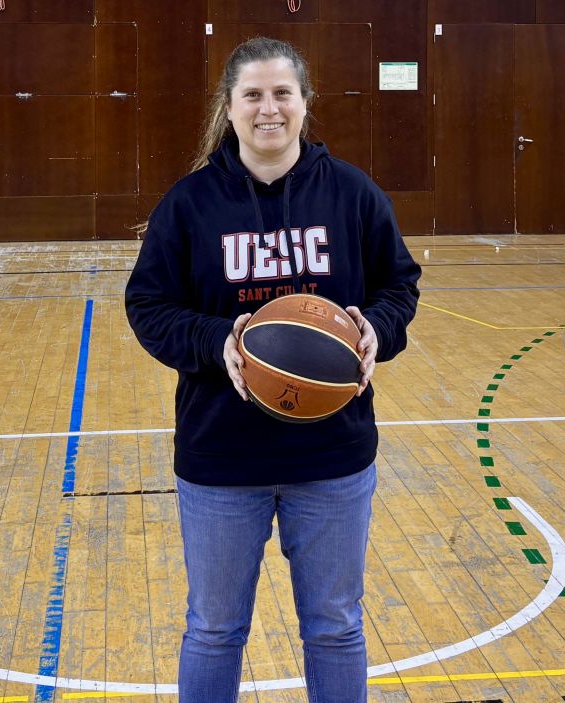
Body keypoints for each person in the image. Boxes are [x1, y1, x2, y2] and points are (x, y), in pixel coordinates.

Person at [124, 37, 421, 703]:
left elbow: (399, 287)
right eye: (253, 95)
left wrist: (376, 327)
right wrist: (216, 341)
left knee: (336, 627)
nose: (268, 108)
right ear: (229, 109)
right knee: (214, 628)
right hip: (222, 458)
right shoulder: (190, 204)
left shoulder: (351, 193)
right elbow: (147, 304)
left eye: (282, 93)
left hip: (334, 455)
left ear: (304, 104)